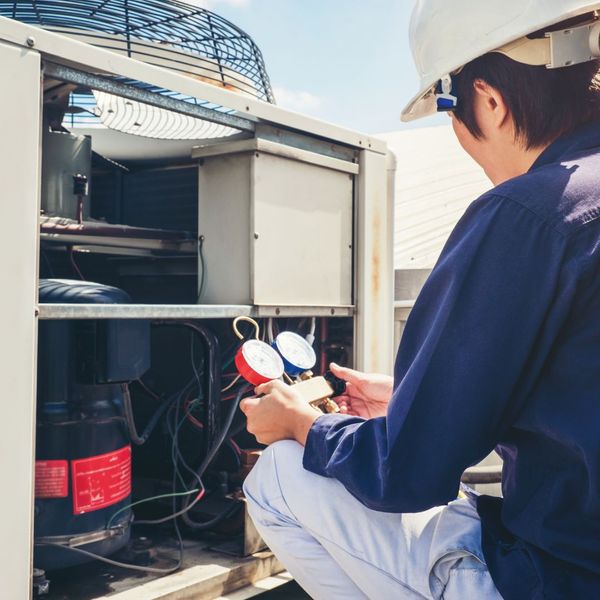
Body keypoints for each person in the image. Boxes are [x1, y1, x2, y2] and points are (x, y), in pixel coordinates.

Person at [240, 1, 600, 598]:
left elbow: (404, 473)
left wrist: (303, 424)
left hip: (561, 578)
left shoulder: (527, 213)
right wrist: (417, 401)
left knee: (277, 479)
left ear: (486, 98)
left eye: (449, 110)